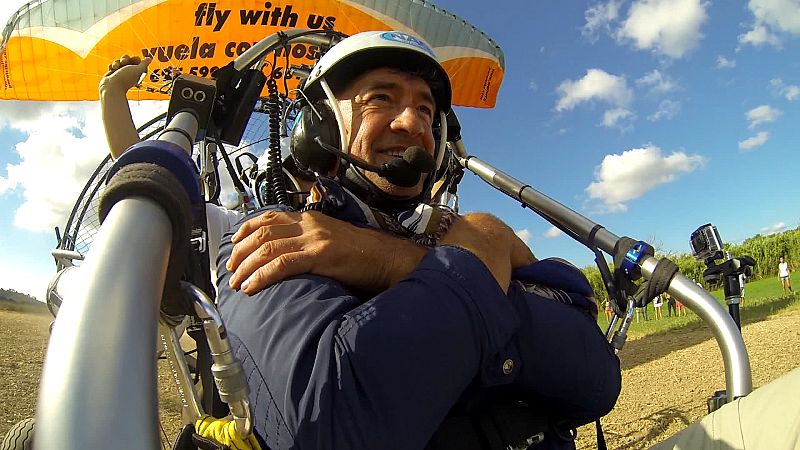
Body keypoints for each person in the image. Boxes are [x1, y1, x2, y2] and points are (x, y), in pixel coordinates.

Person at [101, 31, 621, 450]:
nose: (412, 121)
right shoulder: (271, 233)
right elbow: (336, 420)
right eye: (381, 99)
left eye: (426, 110)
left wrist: (386, 258)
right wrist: (489, 259)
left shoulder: (458, 232)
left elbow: (594, 373)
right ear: (322, 126)